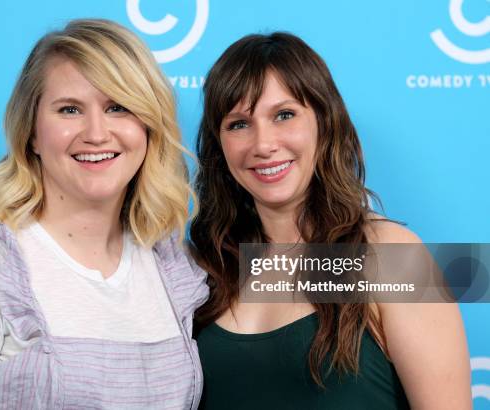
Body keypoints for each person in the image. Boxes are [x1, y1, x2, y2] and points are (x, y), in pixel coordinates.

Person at [0, 19, 208, 409]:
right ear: (32, 132)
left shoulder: (172, 265)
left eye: (118, 107)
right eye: (70, 109)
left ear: (147, 126)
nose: (96, 133)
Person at [189, 32, 471, 409]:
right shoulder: (206, 268)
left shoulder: (390, 257)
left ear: (324, 122)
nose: (263, 144)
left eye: (284, 115)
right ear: (218, 144)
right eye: (239, 124)